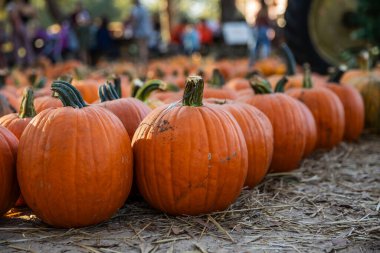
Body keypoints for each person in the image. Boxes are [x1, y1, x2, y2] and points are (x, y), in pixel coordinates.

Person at [6, 0, 36, 67]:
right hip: (15, 28)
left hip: (24, 26)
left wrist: (21, 9)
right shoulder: (11, 5)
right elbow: (12, 16)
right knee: (17, 47)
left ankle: (30, 62)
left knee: (27, 45)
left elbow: (32, 13)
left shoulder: (24, 3)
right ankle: (20, 63)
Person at [130, 0, 153, 78]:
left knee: (141, 48)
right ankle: (145, 64)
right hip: (147, 31)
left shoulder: (136, 9)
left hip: (140, 31)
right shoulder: (144, 8)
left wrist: (131, 29)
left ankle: (142, 66)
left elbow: (134, 20)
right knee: (145, 48)